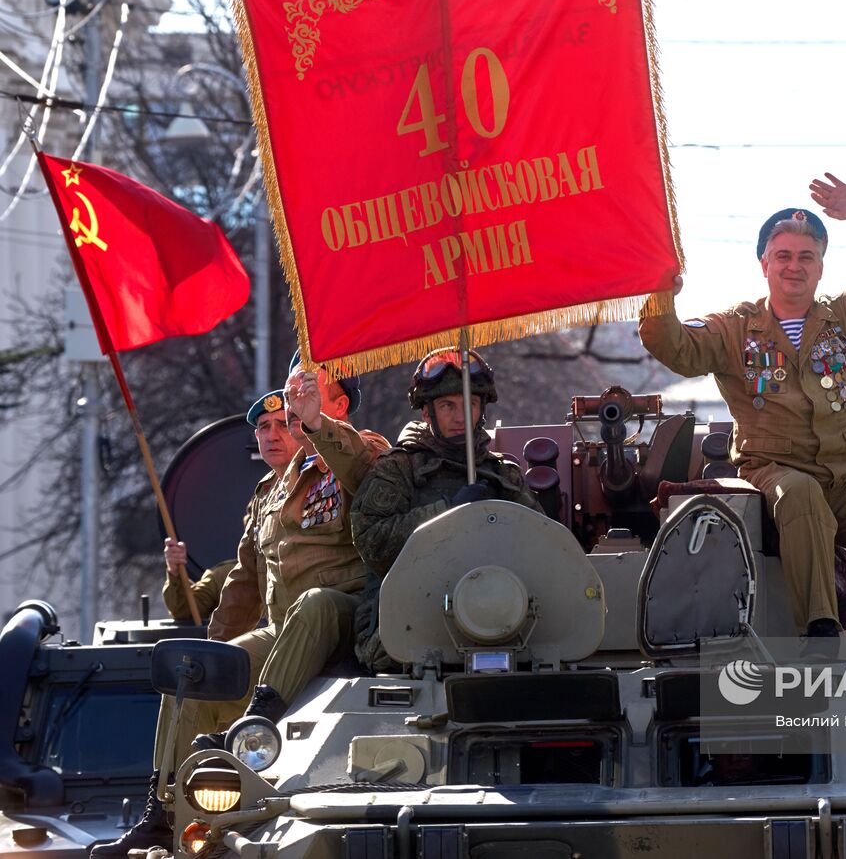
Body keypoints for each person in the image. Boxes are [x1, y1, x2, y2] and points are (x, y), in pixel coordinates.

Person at [638, 173, 846, 656]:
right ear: (764, 263)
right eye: (784, 256)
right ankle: (820, 633)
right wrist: (658, 294)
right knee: (802, 496)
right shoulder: (732, 328)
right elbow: (675, 348)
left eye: (806, 256)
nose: (795, 266)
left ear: (820, 267)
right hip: (776, 469)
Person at [92, 361, 388, 858]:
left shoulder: (365, 454)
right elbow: (242, 587)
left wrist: (318, 426)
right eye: (298, 392)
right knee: (194, 672)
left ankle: (250, 729)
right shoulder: (270, 491)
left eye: (313, 394)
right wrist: (213, 657)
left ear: (338, 406)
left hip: (344, 621)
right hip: (283, 633)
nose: (300, 403)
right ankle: (161, 814)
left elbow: (365, 474)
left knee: (316, 605)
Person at [350, 347, 541, 672]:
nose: (460, 416)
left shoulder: (503, 475)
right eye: (447, 406)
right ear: (428, 414)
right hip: (408, 624)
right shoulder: (398, 469)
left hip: (504, 618)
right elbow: (371, 544)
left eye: (470, 404)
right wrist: (449, 513)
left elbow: (543, 550)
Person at [160, 390, 290, 622]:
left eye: (283, 424)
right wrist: (175, 570)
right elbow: (186, 610)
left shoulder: (298, 564)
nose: (272, 436)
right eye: (264, 427)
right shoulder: (227, 576)